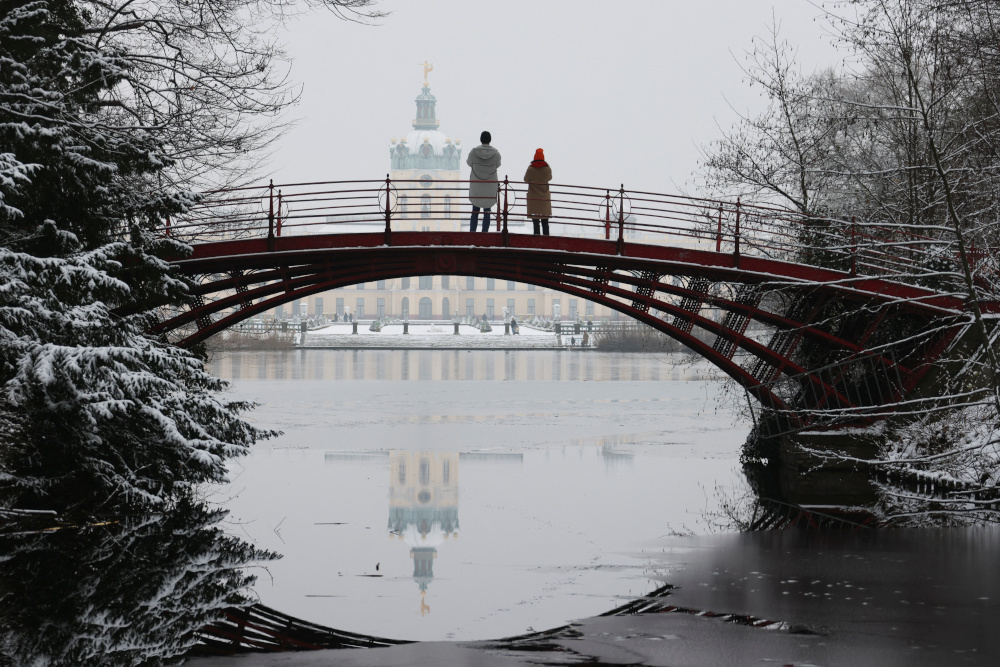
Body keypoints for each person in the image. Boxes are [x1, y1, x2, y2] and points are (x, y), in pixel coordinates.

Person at [467, 131, 501, 232]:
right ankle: (485, 233)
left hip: (477, 185)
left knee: (475, 210)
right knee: (487, 211)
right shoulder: (496, 153)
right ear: (490, 140)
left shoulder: (473, 152)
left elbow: (469, 163)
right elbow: (498, 164)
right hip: (490, 186)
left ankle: (472, 232)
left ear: (481, 139)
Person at [524, 148, 552, 235]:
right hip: (544, 199)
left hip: (534, 199)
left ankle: (536, 240)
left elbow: (525, 179)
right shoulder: (547, 169)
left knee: (535, 223)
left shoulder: (531, 169)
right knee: (545, 222)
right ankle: (546, 240)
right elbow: (550, 178)